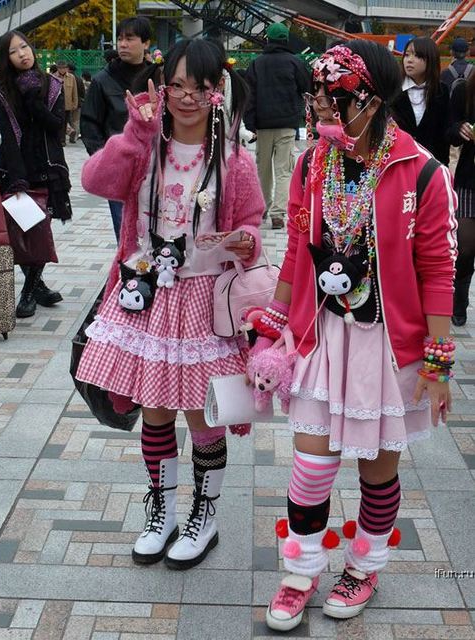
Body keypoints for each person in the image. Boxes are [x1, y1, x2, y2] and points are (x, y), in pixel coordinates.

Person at [252, 40, 457, 631]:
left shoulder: (421, 171)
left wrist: (437, 365)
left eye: (330, 94)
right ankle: (299, 571)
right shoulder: (311, 163)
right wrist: (272, 330)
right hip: (322, 335)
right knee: (311, 466)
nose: (317, 103)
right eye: (316, 93)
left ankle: (364, 564)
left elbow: (437, 270)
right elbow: (295, 249)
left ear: (370, 98)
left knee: (377, 471)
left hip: (387, 347)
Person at [75, 38, 265, 569]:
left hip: (205, 302)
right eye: (176, 85)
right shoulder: (143, 148)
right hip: (147, 295)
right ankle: (160, 511)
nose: (185, 97)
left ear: (216, 93)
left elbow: (252, 220)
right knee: (155, 411)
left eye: (198, 87)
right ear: (161, 88)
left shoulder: (234, 160)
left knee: (202, 416)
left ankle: (204, 516)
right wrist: (134, 131)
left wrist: (246, 240)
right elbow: (94, 180)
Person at [0, 31, 72, 318]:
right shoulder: (3, 90)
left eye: (24, 47)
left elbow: (56, 125)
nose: (22, 54)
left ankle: (28, 292)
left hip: (47, 168)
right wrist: (17, 178)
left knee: (40, 231)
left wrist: (33, 100)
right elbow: (8, 137)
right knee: (18, 231)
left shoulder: (52, 85)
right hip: (16, 168)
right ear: (7, 58)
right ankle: (37, 287)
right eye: (14, 51)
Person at [80, 16, 151, 243]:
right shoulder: (103, 80)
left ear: (146, 43)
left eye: (129, 39)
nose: (122, 44)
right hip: (121, 170)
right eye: (120, 39)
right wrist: (106, 160)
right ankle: (126, 276)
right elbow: (89, 124)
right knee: (126, 234)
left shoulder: (158, 77)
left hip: (155, 169)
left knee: (158, 232)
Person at [244, 22, 309, 229]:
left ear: (268, 40)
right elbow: (306, 88)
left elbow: (249, 95)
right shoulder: (294, 62)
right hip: (287, 124)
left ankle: (262, 207)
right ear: (285, 40)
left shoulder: (257, 63)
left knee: (262, 169)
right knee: (284, 170)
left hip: (263, 125)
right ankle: (278, 214)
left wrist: (250, 123)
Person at [390, 36, 450, 166]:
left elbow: (444, 134)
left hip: (432, 165)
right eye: (406, 55)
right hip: (398, 163)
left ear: (430, 59)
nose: (409, 60)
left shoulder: (442, 91)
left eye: (417, 56)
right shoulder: (393, 89)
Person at [448, 68, 475, 326]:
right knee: (465, 247)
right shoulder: (464, 89)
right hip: (469, 180)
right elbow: (450, 127)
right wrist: (460, 129)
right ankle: (459, 302)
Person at [55, 60, 78, 145]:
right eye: (60, 68)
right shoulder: (53, 77)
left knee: (65, 122)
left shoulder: (71, 77)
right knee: (59, 122)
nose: (62, 70)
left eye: (64, 68)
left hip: (67, 104)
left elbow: (74, 91)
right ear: (57, 68)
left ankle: (63, 140)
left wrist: (75, 103)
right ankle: (60, 139)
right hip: (57, 105)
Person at [67, 63, 85, 142]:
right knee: (76, 120)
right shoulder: (79, 79)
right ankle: (74, 137)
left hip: (67, 103)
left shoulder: (66, 78)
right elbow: (82, 92)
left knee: (66, 119)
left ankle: (70, 131)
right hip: (78, 103)